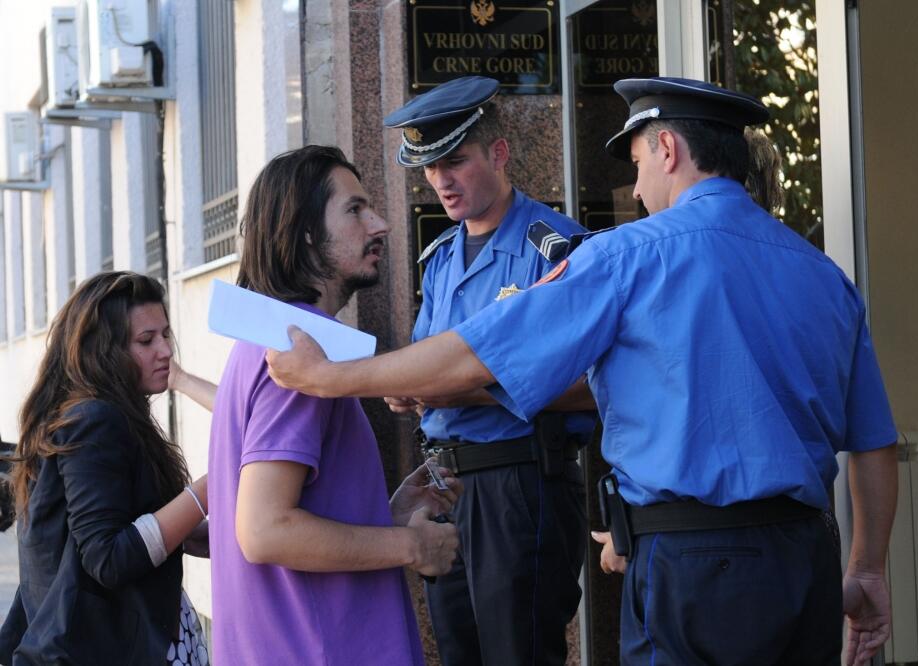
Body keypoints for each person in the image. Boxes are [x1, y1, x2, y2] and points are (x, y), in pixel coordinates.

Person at [266, 77, 899, 666]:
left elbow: (474, 354)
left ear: (668, 149)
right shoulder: (825, 275)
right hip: (805, 560)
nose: (638, 187)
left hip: (689, 565)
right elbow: (873, 444)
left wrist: (330, 378)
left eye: (637, 163)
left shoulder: (629, 254)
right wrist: (867, 569)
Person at [207, 144, 460, 666]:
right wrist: (412, 546)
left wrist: (386, 514)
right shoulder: (300, 354)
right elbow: (265, 530)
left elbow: (293, 514)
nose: (380, 224)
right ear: (305, 232)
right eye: (354, 209)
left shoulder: (272, 338)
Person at [382, 75, 594, 665]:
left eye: (455, 161)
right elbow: (427, 364)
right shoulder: (440, 259)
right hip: (446, 483)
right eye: (430, 168)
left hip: (518, 481)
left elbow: (592, 382)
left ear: (499, 153)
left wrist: (461, 390)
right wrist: (408, 390)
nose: (440, 181)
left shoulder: (555, 248)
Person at [0, 271, 211, 665]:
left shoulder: (106, 415)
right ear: (104, 351)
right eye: (146, 340)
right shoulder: (95, 420)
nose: (166, 350)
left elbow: (134, 524)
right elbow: (108, 557)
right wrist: (210, 488)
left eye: (166, 334)